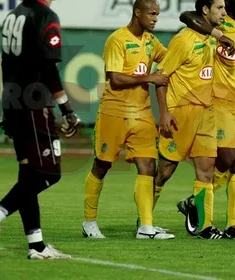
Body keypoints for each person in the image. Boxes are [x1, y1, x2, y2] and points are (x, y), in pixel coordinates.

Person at [0, 0, 81, 260]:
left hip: (13, 101)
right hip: (33, 103)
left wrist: (6, 105)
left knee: (29, 174)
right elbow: (47, 66)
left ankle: (37, 245)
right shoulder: (45, 15)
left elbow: (7, 63)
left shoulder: (14, 14)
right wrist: (67, 109)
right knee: (48, 173)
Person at [81, 0, 174, 240]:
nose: (155, 18)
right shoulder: (117, 39)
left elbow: (171, 59)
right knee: (102, 165)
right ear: (137, 12)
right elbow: (115, 79)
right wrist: (150, 77)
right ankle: (89, 222)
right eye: (152, 14)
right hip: (114, 112)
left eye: (158, 14)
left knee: (148, 167)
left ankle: (145, 227)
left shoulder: (151, 42)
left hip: (142, 113)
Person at [176, 0, 235, 238]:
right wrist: (218, 34)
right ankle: (198, 201)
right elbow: (186, 15)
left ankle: (232, 225)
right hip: (221, 101)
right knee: (225, 159)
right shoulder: (217, 22)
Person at [153, 0, 227, 239]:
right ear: (205, 10)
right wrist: (164, 112)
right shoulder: (183, 41)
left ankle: (205, 227)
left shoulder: (212, 38)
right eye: (219, 7)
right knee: (164, 171)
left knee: (206, 171)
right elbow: (161, 77)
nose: (224, 12)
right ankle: (145, 221)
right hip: (180, 114)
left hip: (205, 112)